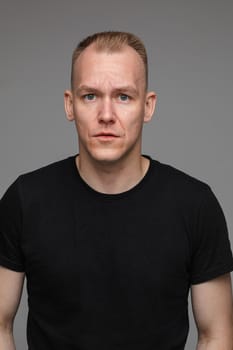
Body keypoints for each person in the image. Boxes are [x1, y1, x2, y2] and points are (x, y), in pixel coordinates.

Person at [0, 31, 233, 350]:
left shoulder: (195, 205)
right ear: (70, 105)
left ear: (147, 107)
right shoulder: (25, 200)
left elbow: (216, 334)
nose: (106, 115)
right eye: (90, 96)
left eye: (124, 96)